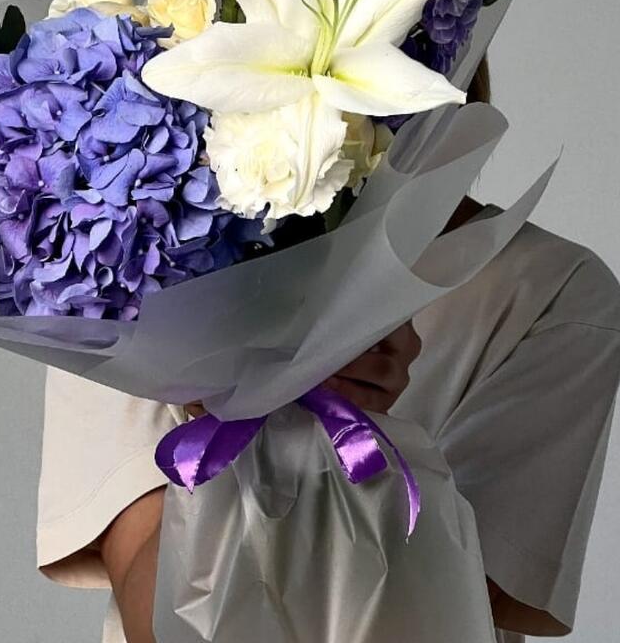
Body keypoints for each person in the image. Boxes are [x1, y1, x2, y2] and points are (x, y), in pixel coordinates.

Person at [35, 58, 620, 643]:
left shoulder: (552, 289)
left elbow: (450, 615)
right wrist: (235, 394)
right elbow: (154, 617)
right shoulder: (118, 260)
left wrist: (347, 421)